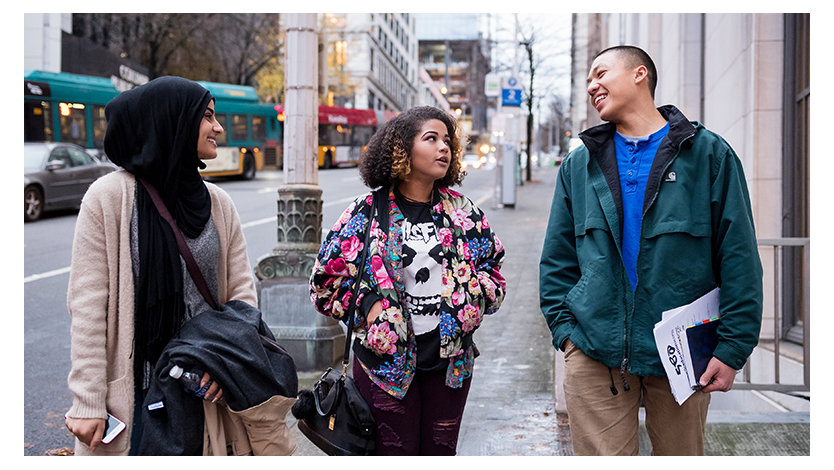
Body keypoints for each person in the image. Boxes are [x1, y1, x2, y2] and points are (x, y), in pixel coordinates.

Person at [539, 45, 763, 455]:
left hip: (685, 352)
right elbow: (557, 259)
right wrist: (566, 335)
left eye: (600, 73)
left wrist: (732, 349)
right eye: (589, 79)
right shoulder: (579, 165)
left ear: (639, 74)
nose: (592, 85)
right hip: (593, 350)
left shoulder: (709, 155)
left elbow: (739, 258)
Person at [64, 76, 258, 455]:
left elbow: (242, 296)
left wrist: (226, 365)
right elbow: (87, 306)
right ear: (174, 120)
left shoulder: (219, 204)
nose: (218, 127)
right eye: (207, 117)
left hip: (205, 389)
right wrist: (87, 400)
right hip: (134, 393)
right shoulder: (108, 198)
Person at [309, 106, 506, 455]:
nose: (443, 148)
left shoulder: (464, 212)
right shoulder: (366, 211)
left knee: (440, 454)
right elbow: (325, 282)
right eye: (431, 139)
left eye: (447, 141)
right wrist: (369, 309)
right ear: (402, 148)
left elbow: (493, 269)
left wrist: (472, 301)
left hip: (450, 365)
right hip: (383, 366)